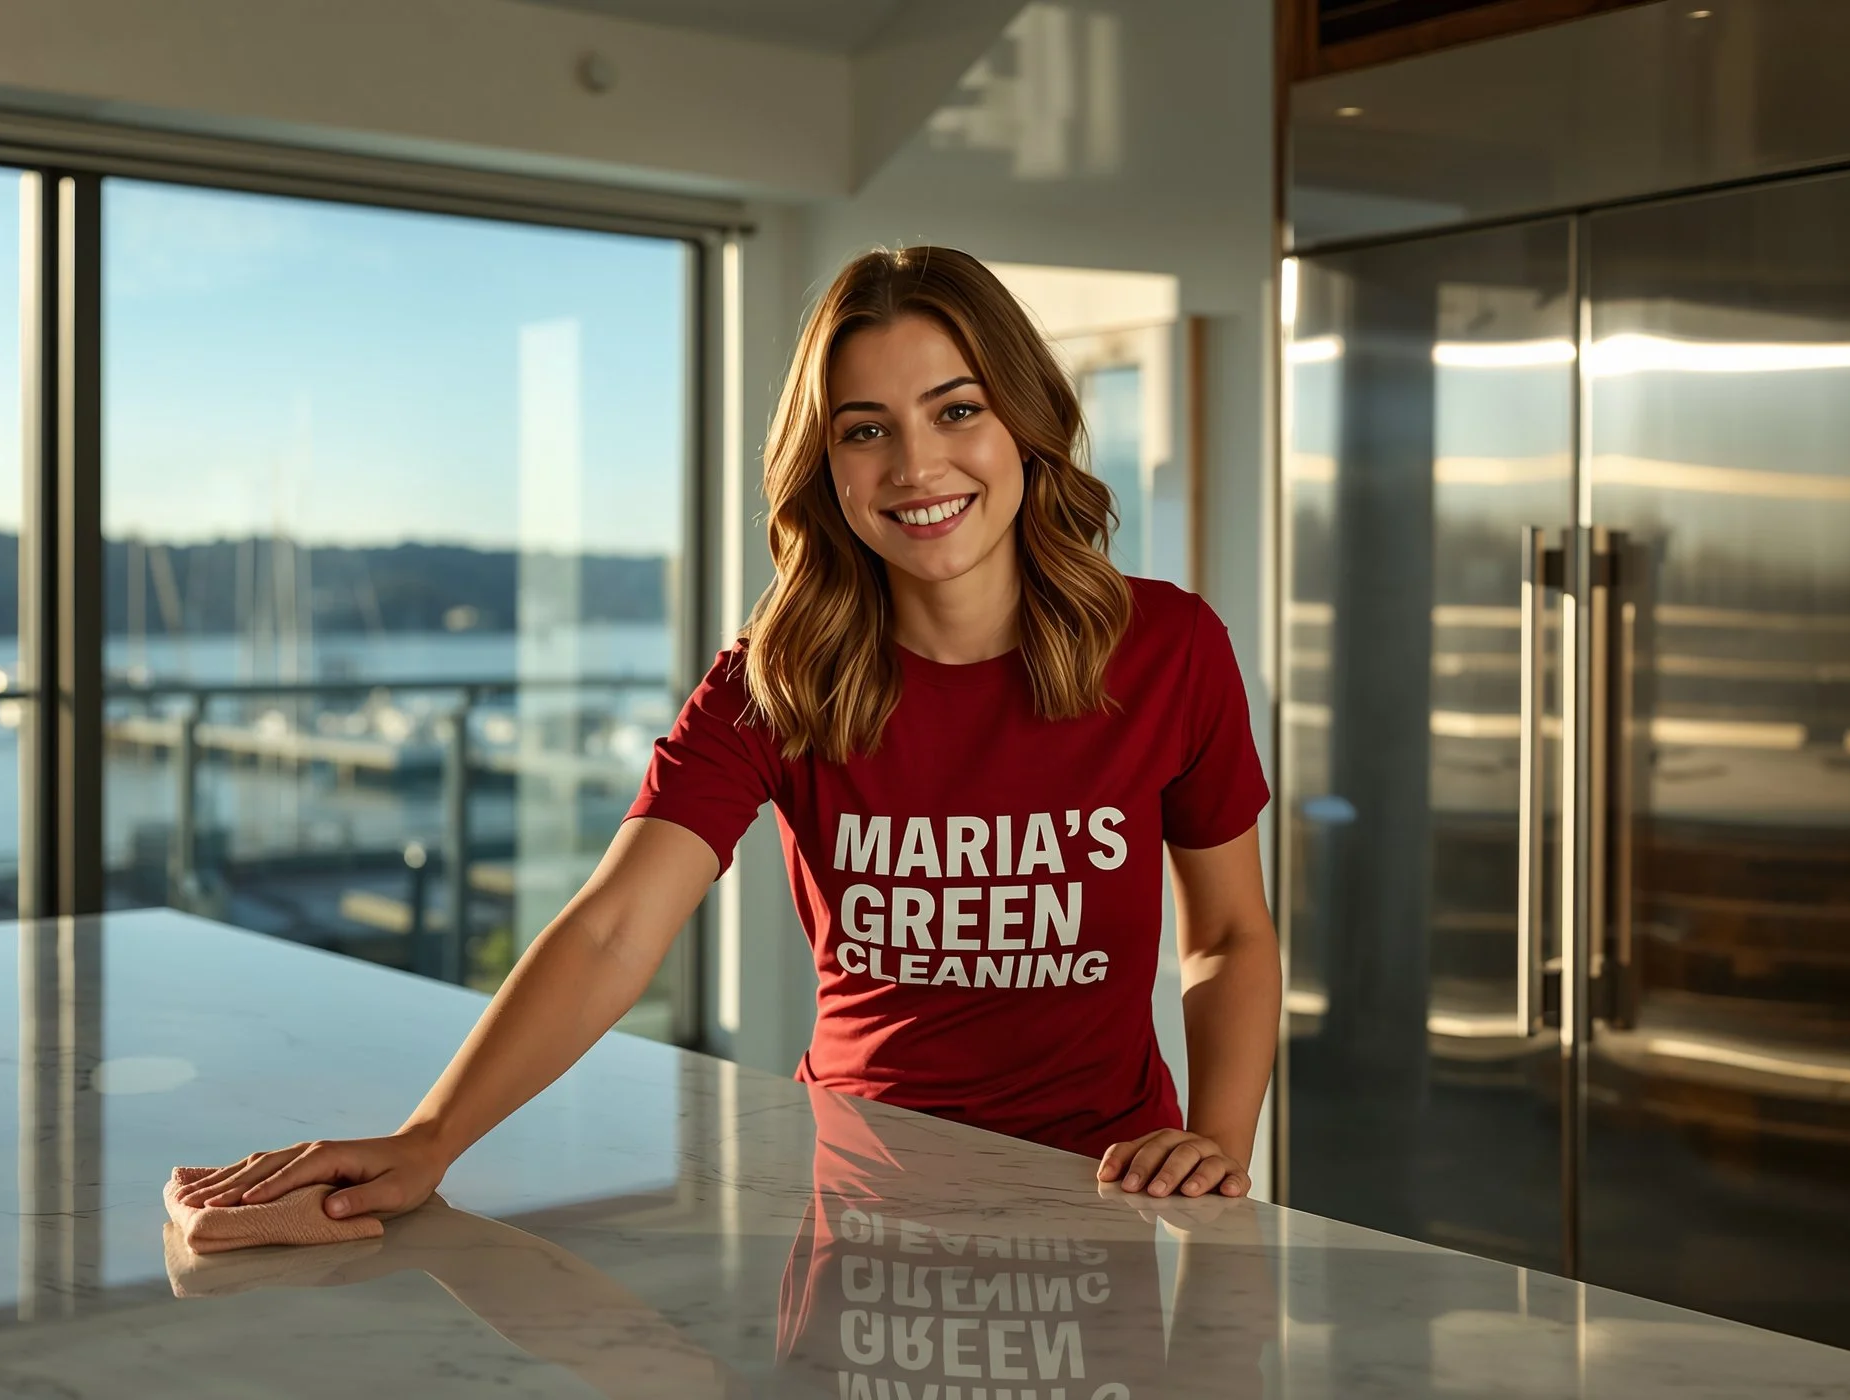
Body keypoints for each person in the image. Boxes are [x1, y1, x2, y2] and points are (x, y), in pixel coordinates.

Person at [184, 244, 1279, 1224]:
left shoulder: (1167, 647)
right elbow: (615, 926)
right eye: (866, 429)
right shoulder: (776, 676)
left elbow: (1228, 932)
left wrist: (1219, 1149)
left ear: (1024, 424)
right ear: (827, 464)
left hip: (1106, 1195)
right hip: (856, 1195)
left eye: (957, 410)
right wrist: (431, 1138)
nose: (914, 466)